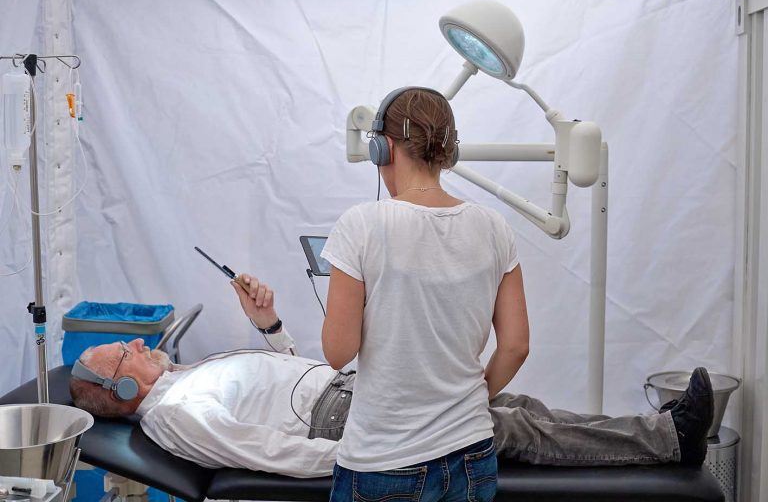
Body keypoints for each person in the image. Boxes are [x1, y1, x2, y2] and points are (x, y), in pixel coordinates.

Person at [70, 277, 714, 479]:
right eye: (125, 352)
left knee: (517, 401)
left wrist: (269, 326)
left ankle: (656, 429)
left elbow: (284, 380)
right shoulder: (175, 413)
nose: (137, 341)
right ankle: (670, 441)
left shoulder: (185, 376)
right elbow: (262, 449)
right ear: (122, 390)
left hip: (346, 392)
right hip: (346, 421)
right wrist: (360, 459)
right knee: (505, 428)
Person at [320, 87, 530, 500]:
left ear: (383, 147)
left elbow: (337, 352)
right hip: (472, 452)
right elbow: (516, 346)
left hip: (384, 460)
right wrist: (470, 401)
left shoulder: (360, 225)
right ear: (448, 151)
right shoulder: (494, 227)